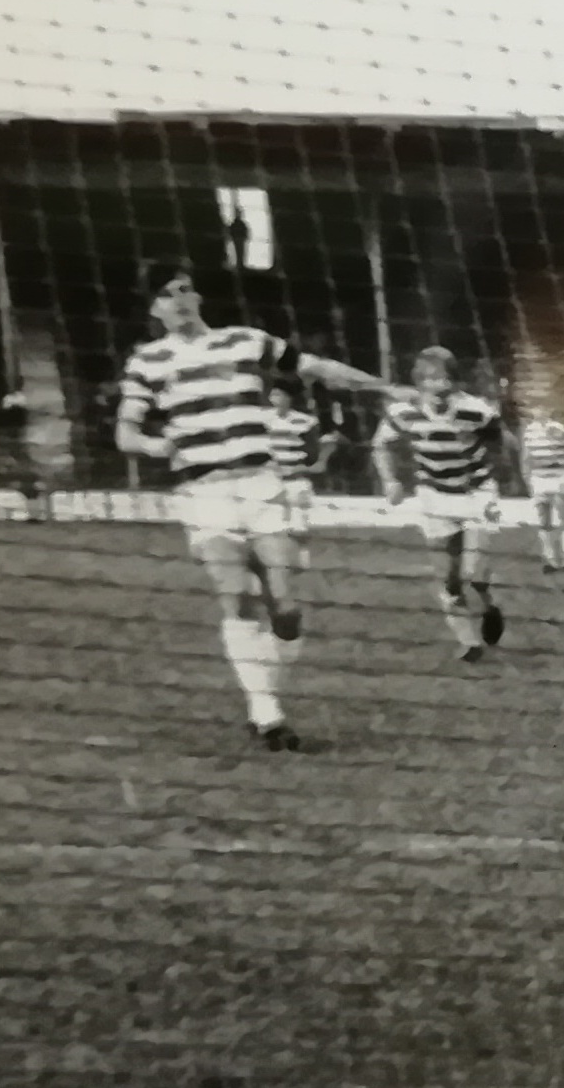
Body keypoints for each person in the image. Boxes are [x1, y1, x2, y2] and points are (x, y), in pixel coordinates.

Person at [113, 265, 393, 750]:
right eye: (165, 294)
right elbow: (126, 433)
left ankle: (264, 690)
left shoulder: (245, 340)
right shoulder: (148, 363)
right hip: (205, 494)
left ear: (197, 296)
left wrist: (385, 387)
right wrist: (160, 448)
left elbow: (316, 367)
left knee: (285, 608)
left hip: (263, 487)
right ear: (154, 309)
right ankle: (266, 714)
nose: (179, 299)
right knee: (234, 594)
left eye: (184, 289)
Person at [374, 349, 510, 661]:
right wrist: (390, 481)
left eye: (443, 377)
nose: (437, 385)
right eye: (429, 378)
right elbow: (380, 445)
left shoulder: (476, 410)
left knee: (474, 574)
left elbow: (499, 442)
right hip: (434, 494)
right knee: (449, 578)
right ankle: (469, 643)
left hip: (477, 492)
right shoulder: (402, 413)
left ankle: (489, 606)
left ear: (455, 381)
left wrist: (495, 470)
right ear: (419, 382)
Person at [518, 406, 564, 573]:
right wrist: (528, 479)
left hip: (560, 477)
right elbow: (526, 458)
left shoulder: (560, 429)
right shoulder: (529, 432)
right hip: (539, 479)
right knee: (544, 520)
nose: (539, 412)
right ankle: (550, 559)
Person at [262, 380, 326, 549]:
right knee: (273, 527)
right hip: (271, 478)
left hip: (296, 477)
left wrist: (306, 467)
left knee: (299, 527)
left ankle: (303, 560)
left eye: (280, 395)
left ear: (289, 398)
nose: (276, 399)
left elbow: (313, 451)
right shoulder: (263, 420)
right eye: (273, 394)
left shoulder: (305, 421)